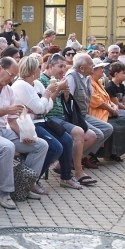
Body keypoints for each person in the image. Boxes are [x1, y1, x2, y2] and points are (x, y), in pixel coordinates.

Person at [0, 57, 49, 208]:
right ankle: (5, 193)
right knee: (7, 147)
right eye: (11, 75)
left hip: (2, 130)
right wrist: (5, 110)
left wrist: (24, 136)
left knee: (41, 145)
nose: (12, 79)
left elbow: (12, 121)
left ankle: (23, 186)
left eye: (14, 76)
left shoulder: (9, 90)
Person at [12, 56, 81, 190]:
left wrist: (42, 103)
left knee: (67, 140)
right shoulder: (20, 85)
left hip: (41, 120)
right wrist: (47, 94)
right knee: (55, 147)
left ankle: (66, 177)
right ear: (32, 69)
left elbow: (48, 106)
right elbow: (40, 107)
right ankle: (31, 180)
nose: (41, 69)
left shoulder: (37, 84)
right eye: (39, 67)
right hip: (28, 124)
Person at [40, 53, 97, 185]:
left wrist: (66, 95)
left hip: (62, 116)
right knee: (78, 132)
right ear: (50, 66)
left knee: (91, 135)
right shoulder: (42, 80)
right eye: (60, 66)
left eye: (64, 66)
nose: (63, 70)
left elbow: (64, 103)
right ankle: (78, 172)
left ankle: (62, 164)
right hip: (50, 118)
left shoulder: (59, 79)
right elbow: (45, 105)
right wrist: (58, 89)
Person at [66, 54, 114, 169]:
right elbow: (67, 100)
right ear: (82, 68)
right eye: (91, 65)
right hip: (74, 116)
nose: (93, 67)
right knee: (97, 134)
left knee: (108, 128)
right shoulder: (72, 77)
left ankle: (81, 157)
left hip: (84, 114)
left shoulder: (86, 77)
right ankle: (69, 160)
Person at [88, 58, 125, 161]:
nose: (103, 70)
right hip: (97, 113)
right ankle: (93, 155)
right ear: (94, 70)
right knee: (113, 127)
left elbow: (107, 99)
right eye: (101, 68)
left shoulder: (99, 82)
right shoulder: (89, 82)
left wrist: (114, 106)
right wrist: (112, 110)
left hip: (107, 112)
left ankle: (114, 152)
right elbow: (98, 102)